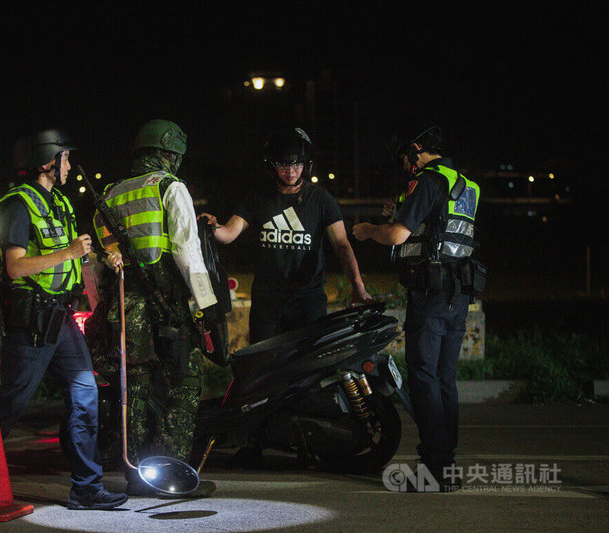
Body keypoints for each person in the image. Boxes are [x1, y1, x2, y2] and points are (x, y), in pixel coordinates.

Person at [200, 126, 371, 466]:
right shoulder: (259, 197)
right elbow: (229, 234)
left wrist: (358, 284)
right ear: (272, 166)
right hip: (268, 302)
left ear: (305, 165)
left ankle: (306, 440)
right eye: (282, 164)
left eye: (295, 164)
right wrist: (212, 227)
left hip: (308, 300)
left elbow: (341, 244)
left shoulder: (321, 199)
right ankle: (254, 442)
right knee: (259, 374)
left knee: (307, 375)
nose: (290, 171)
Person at [0, 128, 127, 510]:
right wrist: (68, 251)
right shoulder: (18, 204)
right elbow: (15, 267)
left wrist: (100, 272)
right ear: (47, 160)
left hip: (62, 318)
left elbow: (80, 261)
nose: (70, 165)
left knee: (85, 396)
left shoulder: (62, 204)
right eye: (66, 157)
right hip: (31, 318)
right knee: (12, 403)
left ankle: (87, 487)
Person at [352, 124, 484, 492]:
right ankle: (447, 467)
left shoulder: (427, 180)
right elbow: (441, 230)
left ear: (415, 150)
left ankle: (432, 469)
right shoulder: (467, 185)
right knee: (444, 380)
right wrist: (403, 212)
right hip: (458, 294)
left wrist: (367, 229)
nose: (404, 168)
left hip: (430, 294)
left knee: (423, 379)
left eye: (404, 160)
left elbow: (396, 236)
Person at [89, 119, 218, 496]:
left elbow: (98, 266)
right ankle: (170, 475)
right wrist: (205, 305)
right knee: (185, 382)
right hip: (169, 306)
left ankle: (137, 473)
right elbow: (186, 252)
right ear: (169, 155)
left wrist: (105, 310)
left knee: (134, 390)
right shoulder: (170, 187)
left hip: (126, 312)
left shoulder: (110, 194)